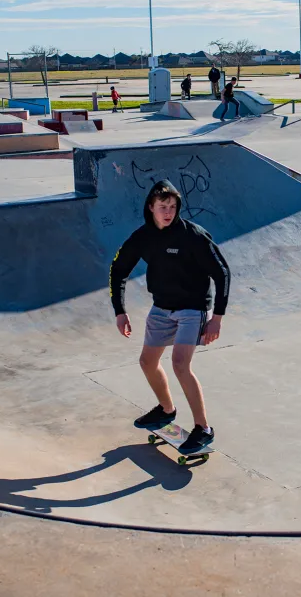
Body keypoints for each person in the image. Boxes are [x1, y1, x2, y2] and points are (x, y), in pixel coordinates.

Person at [110, 180, 231, 453]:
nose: (168, 212)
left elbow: (222, 272)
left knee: (179, 364)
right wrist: (120, 311)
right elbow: (118, 270)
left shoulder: (193, 236)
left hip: (193, 308)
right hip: (162, 308)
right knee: (147, 361)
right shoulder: (142, 237)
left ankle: (204, 429)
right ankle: (166, 409)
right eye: (162, 207)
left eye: (173, 207)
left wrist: (217, 319)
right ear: (150, 207)